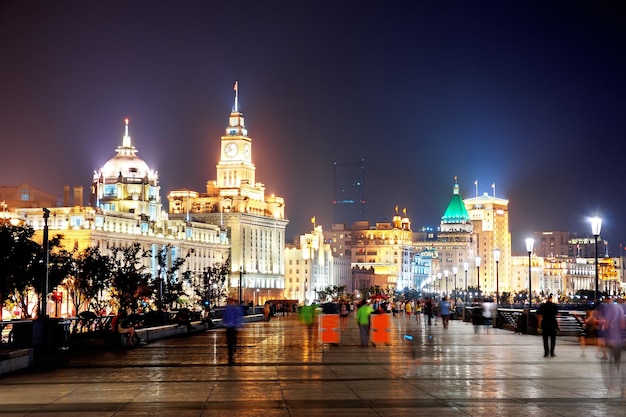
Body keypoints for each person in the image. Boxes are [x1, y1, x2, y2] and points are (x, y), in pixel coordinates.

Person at [536, 293, 559, 357]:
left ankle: (546, 353)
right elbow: (557, 315)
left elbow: (540, 316)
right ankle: (552, 352)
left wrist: (539, 325)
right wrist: (558, 325)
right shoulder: (555, 306)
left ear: (546, 299)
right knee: (553, 339)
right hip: (552, 323)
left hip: (545, 323)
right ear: (551, 299)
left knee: (545, 339)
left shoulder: (542, 306)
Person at [223, 298, 244, 364]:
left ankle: (231, 353)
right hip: (231, 327)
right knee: (231, 341)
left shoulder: (230, 309)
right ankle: (231, 353)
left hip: (231, 327)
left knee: (231, 341)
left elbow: (238, 316)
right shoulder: (232, 309)